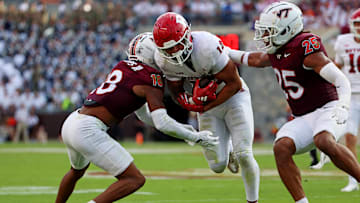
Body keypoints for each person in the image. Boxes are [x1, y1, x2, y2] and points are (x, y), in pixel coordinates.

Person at [55, 33, 218, 203]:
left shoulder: (123, 66)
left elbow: (146, 116)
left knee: (76, 172)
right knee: (134, 179)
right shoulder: (150, 78)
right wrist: (196, 137)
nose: (165, 56)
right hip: (87, 130)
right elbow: (161, 123)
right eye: (162, 52)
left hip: (73, 121)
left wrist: (185, 131)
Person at [226, 2, 360, 202]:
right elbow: (254, 59)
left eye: (269, 31)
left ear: (287, 29)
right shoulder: (278, 49)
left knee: (323, 140)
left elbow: (340, 79)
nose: (264, 37)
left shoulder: (305, 47)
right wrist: (222, 50)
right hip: (303, 116)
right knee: (281, 148)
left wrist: (343, 105)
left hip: (328, 108)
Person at [151, 12, 260, 203]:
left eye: (176, 45)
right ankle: (229, 149)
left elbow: (234, 84)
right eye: (167, 49)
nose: (173, 52)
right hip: (206, 106)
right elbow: (176, 93)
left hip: (234, 98)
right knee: (217, 165)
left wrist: (204, 104)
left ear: (186, 35)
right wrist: (190, 103)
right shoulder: (163, 60)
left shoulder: (207, 46)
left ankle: (253, 200)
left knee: (245, 154)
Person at [312, 8, 360, 192]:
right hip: (351, 96)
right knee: (349, 139)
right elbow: (338, 65)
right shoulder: (343, 41)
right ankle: (353, 180)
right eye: (356, 24)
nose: (358, 27)